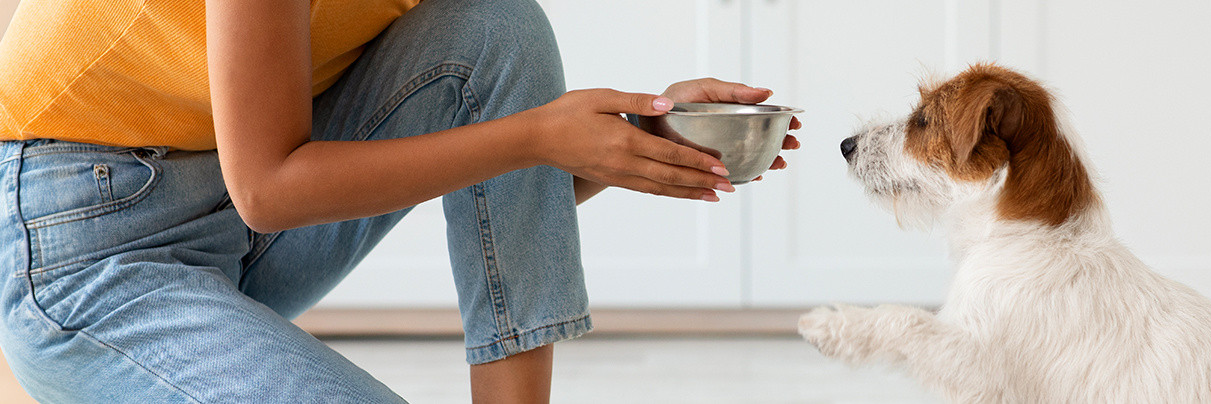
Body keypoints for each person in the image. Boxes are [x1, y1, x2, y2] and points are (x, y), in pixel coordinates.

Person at [0, 0, 799, 402]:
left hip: (225, 215)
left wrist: (626, 141)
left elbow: (494, 156)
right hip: (80, 249)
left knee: (495, 25)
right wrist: (536, 138)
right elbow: (270, 190)